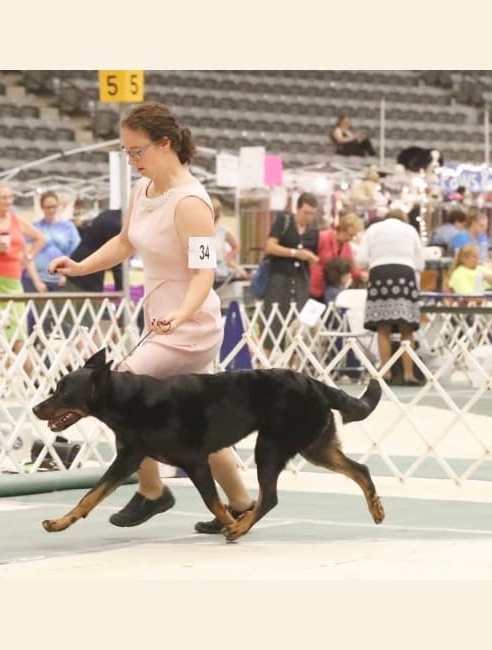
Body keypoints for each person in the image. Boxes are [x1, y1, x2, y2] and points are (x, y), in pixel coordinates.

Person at [49, 101, 254, 533]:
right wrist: (81, 265)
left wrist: (182, 314)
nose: (132, 160)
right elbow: (125, 242)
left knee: (119, 393)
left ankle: (153, 492)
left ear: (165, 144)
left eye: (137, 151)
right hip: (160, 321)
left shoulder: (192, 203)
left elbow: (204, 272)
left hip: (191, 325)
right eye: (126, 152)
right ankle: (239, 502)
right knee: (194, 419)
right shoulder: (142, 191)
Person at [0, 180, 46, 352]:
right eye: (3, 198)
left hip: (14, 282)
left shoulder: (17, 221)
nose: (8, 201)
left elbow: (40, 239)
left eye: (10, 197)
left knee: (19, 333)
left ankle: (19, 376)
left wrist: (26, 258)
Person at [355, 208, 425, 386]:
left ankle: (385, 372)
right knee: (407, 328)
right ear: (403, 219)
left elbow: (360, 260)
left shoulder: (374, 229)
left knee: (383, 327)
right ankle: (409, 374)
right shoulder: (410, 230)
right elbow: (420, 263)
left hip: (380, 274)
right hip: (405, 274)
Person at [262, 193, 320, 352]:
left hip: (301, 281)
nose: (309, 217)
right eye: (306, 212)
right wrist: (295, 253)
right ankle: (267, 364)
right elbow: (270, 246)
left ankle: (293, 364)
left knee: (297, 324)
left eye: (312, 214)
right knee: (274, 322)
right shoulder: (283, 221)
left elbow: (315, 256)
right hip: (279, 279)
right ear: (297, 209)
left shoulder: (313, 232)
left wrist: (311, 258)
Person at [25, 191, 80, 292]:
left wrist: (67, 275)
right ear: (42, 207)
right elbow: (28, 256)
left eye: (54, 206)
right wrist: (37, 281)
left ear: (58, 206)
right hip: (36, 280)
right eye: (48, 207)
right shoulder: (34, 227)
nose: (51, 210)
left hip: (61, 280)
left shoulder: (69, 227)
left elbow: (76, 253)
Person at [309, 213, 367, 303]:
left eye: (353, 236)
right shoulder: (322, 237)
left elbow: (351, 266)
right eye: (350, 235)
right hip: (314, 287)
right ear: (342, 229)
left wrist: (361, 275)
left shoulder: (346, 246)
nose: (351, 238)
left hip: (332, 289)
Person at [211, 196, 247, 288]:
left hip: (219, 272)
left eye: (213, 211)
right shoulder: (198, 229)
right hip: (202, 271)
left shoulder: (222, 230)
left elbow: (236, 246)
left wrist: (226, 258)